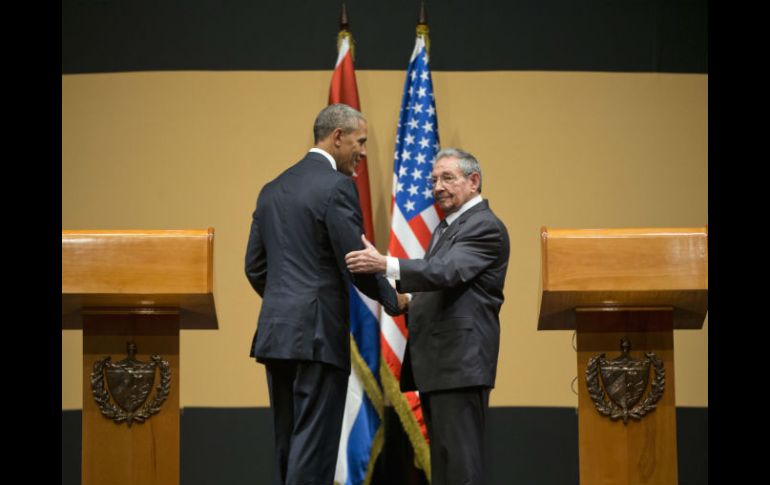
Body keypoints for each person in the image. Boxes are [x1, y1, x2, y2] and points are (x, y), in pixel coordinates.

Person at [245, 103, 406, 485]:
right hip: (317, 337)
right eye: (360, 142)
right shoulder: (337, 187)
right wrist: (394, 301)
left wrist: (287, 302)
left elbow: (255, 267)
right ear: (337, 137)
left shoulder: (271, 189)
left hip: (276, 335)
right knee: (314, 448)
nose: (363, 152)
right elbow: (356, 261)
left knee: (288, 443)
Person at [345, 148, 510, 485]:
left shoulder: (485, 226)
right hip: (441, 365)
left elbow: (447, 271)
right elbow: (441, 287)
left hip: (460, 366)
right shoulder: (448, 228)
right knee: (445, 467)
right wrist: (405, 301)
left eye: (447, 178)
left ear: (474, 181)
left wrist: (385, 264)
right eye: (433, 180)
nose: (437, 187)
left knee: (461, 467)